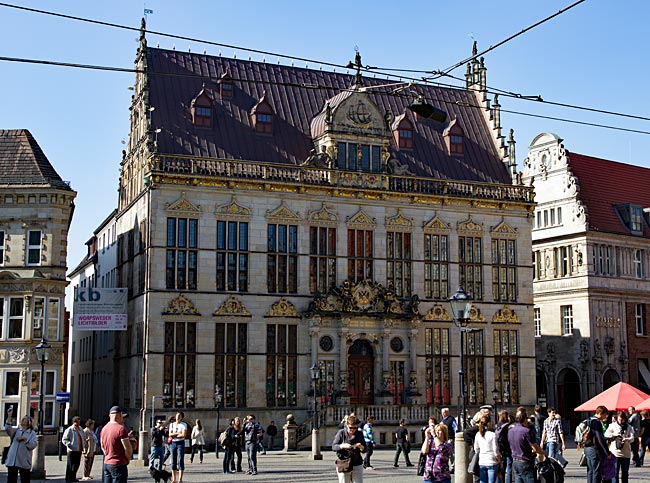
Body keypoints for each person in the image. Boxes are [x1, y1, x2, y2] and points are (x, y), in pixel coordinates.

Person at [507, 407, 545, 483]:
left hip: (515, 460)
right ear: (525, 420)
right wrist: (543, 452)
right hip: (524, 461)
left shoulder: (510, 430)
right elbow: (534, 447)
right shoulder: (526, 431)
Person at [4, 408, 37, 483]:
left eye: (25, 419)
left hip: (24, 460)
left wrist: (25, 440)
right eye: (23, 419)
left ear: (29, 422)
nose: (23, 420)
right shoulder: (16, 431)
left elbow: (33, 445)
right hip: (13, 460)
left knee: (25, 479)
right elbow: (8, 428)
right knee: (11, 479)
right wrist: (9, 416)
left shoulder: (32, 433)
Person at [100, 406, 132, 483]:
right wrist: (127, 459)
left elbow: (102, 446)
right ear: (120, 415)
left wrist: (108, 455)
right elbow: (128, 448)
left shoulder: (104, 428)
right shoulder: (121, 429)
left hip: (107, 463)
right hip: (119, 464)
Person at [332, 414, 366, 483]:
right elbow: (334, 447)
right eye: (350, 428)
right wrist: (342, 446)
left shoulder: (359, 434)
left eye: (354, 428)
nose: (352, 430)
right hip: (344, 463)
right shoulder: (341, 433)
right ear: (347, 425)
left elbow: (365, 449)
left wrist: (361, 447)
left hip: (357, 463)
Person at [605, 410, 635, 483]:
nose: (621, 421)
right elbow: (606, 435)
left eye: (622, 419)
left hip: (626, 453)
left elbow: (632, 438)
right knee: (615, 472)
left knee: (625, 473)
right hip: (615, 453)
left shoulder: (629, 427)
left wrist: (626, 439)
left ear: (625, 419)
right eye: (619, 419)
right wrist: (614, 434)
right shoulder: (612, 425)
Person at [583, 405, 610, 483]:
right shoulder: (597, 422)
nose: (605, 417)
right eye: (605, 415)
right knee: (596, 472)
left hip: (587, 448)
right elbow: (600, 438)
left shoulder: (588, 420)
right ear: (601, 413)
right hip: (595, 449)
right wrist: (607, 452)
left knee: (590, 471)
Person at [474, 416, 500, 483]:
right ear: (489, 423)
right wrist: (499, 459)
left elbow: (476, 448)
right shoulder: (492, 435)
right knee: (491, 481)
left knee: (482, 481)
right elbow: (495, 450)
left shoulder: (478, 434)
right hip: (491, 461)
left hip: (482, 460)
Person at [62, 415, 87, 482]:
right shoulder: (69, 429)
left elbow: (83, 437)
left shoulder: (80, 429)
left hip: (79, 450)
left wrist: (84, 444)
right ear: (74, 422)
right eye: (77, 422)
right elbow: (64, 439)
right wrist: (70, 445)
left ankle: (73, 477)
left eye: (79, 421)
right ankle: (68, 478)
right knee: (70, 465)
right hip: (71, 450)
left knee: (76, 464)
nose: (79, 423)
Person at [169, 411, 188, 483]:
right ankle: (174, 479)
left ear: (181, 418)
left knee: (180, 460)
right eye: (177, 415)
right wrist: (178, 433)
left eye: (179, 416)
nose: (177, 417)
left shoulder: (184, 425)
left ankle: (180, 479)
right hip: (173, 443)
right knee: (173, 461)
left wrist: (175, 435)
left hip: (180, 443)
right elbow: (170, 434)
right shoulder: (172, 425)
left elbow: (184, 435)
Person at [495, 410, 514, 483]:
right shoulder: (508, 426)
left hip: (500, 449)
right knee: (508, 468)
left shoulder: (496, 426)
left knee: (500, 468)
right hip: (507, 449)